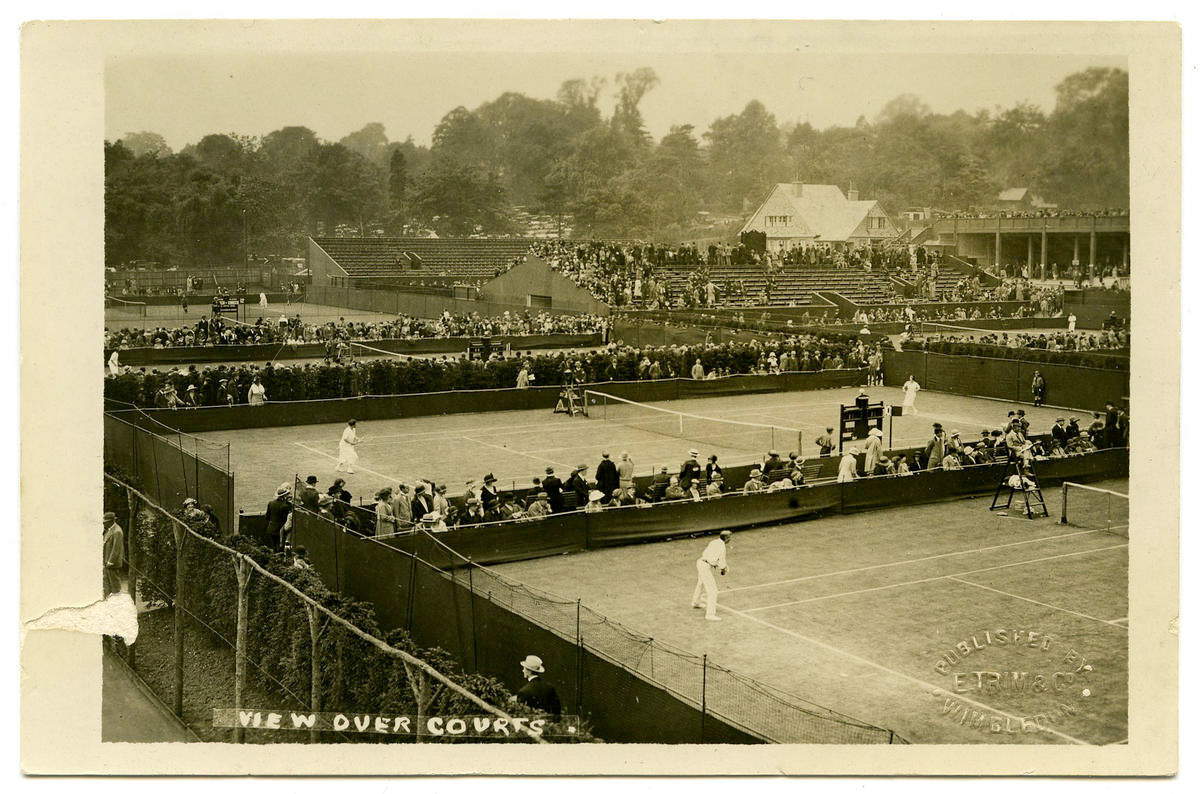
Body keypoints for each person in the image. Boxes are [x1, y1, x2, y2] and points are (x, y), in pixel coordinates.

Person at [690, 531, 731, 621]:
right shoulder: (722, 547)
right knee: (713, 591)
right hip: (705, 566)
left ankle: (696, 602)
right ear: (726, 538)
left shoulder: (714, 542)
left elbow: (710, 555)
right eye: (729, 538)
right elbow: (721, 562)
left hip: (700, 562)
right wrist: (723, 569)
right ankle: (710, 614)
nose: (730, 539)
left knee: (700, 583)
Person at [102, 512, 125, 597]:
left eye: (105, 522)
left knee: (115, 586)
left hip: (112, 564)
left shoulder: (117, 531)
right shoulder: (109, 530)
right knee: (106, 584)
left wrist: (110, 561)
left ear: (111, 521)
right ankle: (108, 601)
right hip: (106, 561)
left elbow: (116, 548)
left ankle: (117, 602)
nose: (104, 523)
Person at [264, 485, 292, 551]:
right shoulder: (287, 505)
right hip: (281, 530)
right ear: (285, 496)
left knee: (274, 547)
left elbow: (267, 516)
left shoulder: (271, 503)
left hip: (271, 528)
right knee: (280, 548)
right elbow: (287, 519)